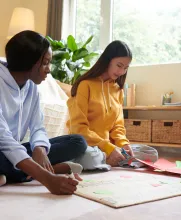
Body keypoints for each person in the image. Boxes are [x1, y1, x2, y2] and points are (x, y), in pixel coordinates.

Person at [0, 30, 87, 195]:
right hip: (3, 148)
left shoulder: (31, 87)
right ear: (28, 62)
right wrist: (47, 178)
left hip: (14, 151)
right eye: (45, 63)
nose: (49, 69)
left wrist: (39, 147)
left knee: (78, 142)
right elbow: (4, 140)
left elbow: (38, 126)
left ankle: (16, 174)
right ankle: (32, 172)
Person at [67, 40, 133, 167]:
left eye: (125, 68)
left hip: (108, 147)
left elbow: (117, 126)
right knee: (91, 158)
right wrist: (107, 147)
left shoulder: (118, 90)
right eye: (119, 65)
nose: (121, 72)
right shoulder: (85, 85)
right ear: (108, 60)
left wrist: (123, 144)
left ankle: (109, 158)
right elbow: (78, 128)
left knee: (150, 153)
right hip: (86, 145)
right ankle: (106, 158)